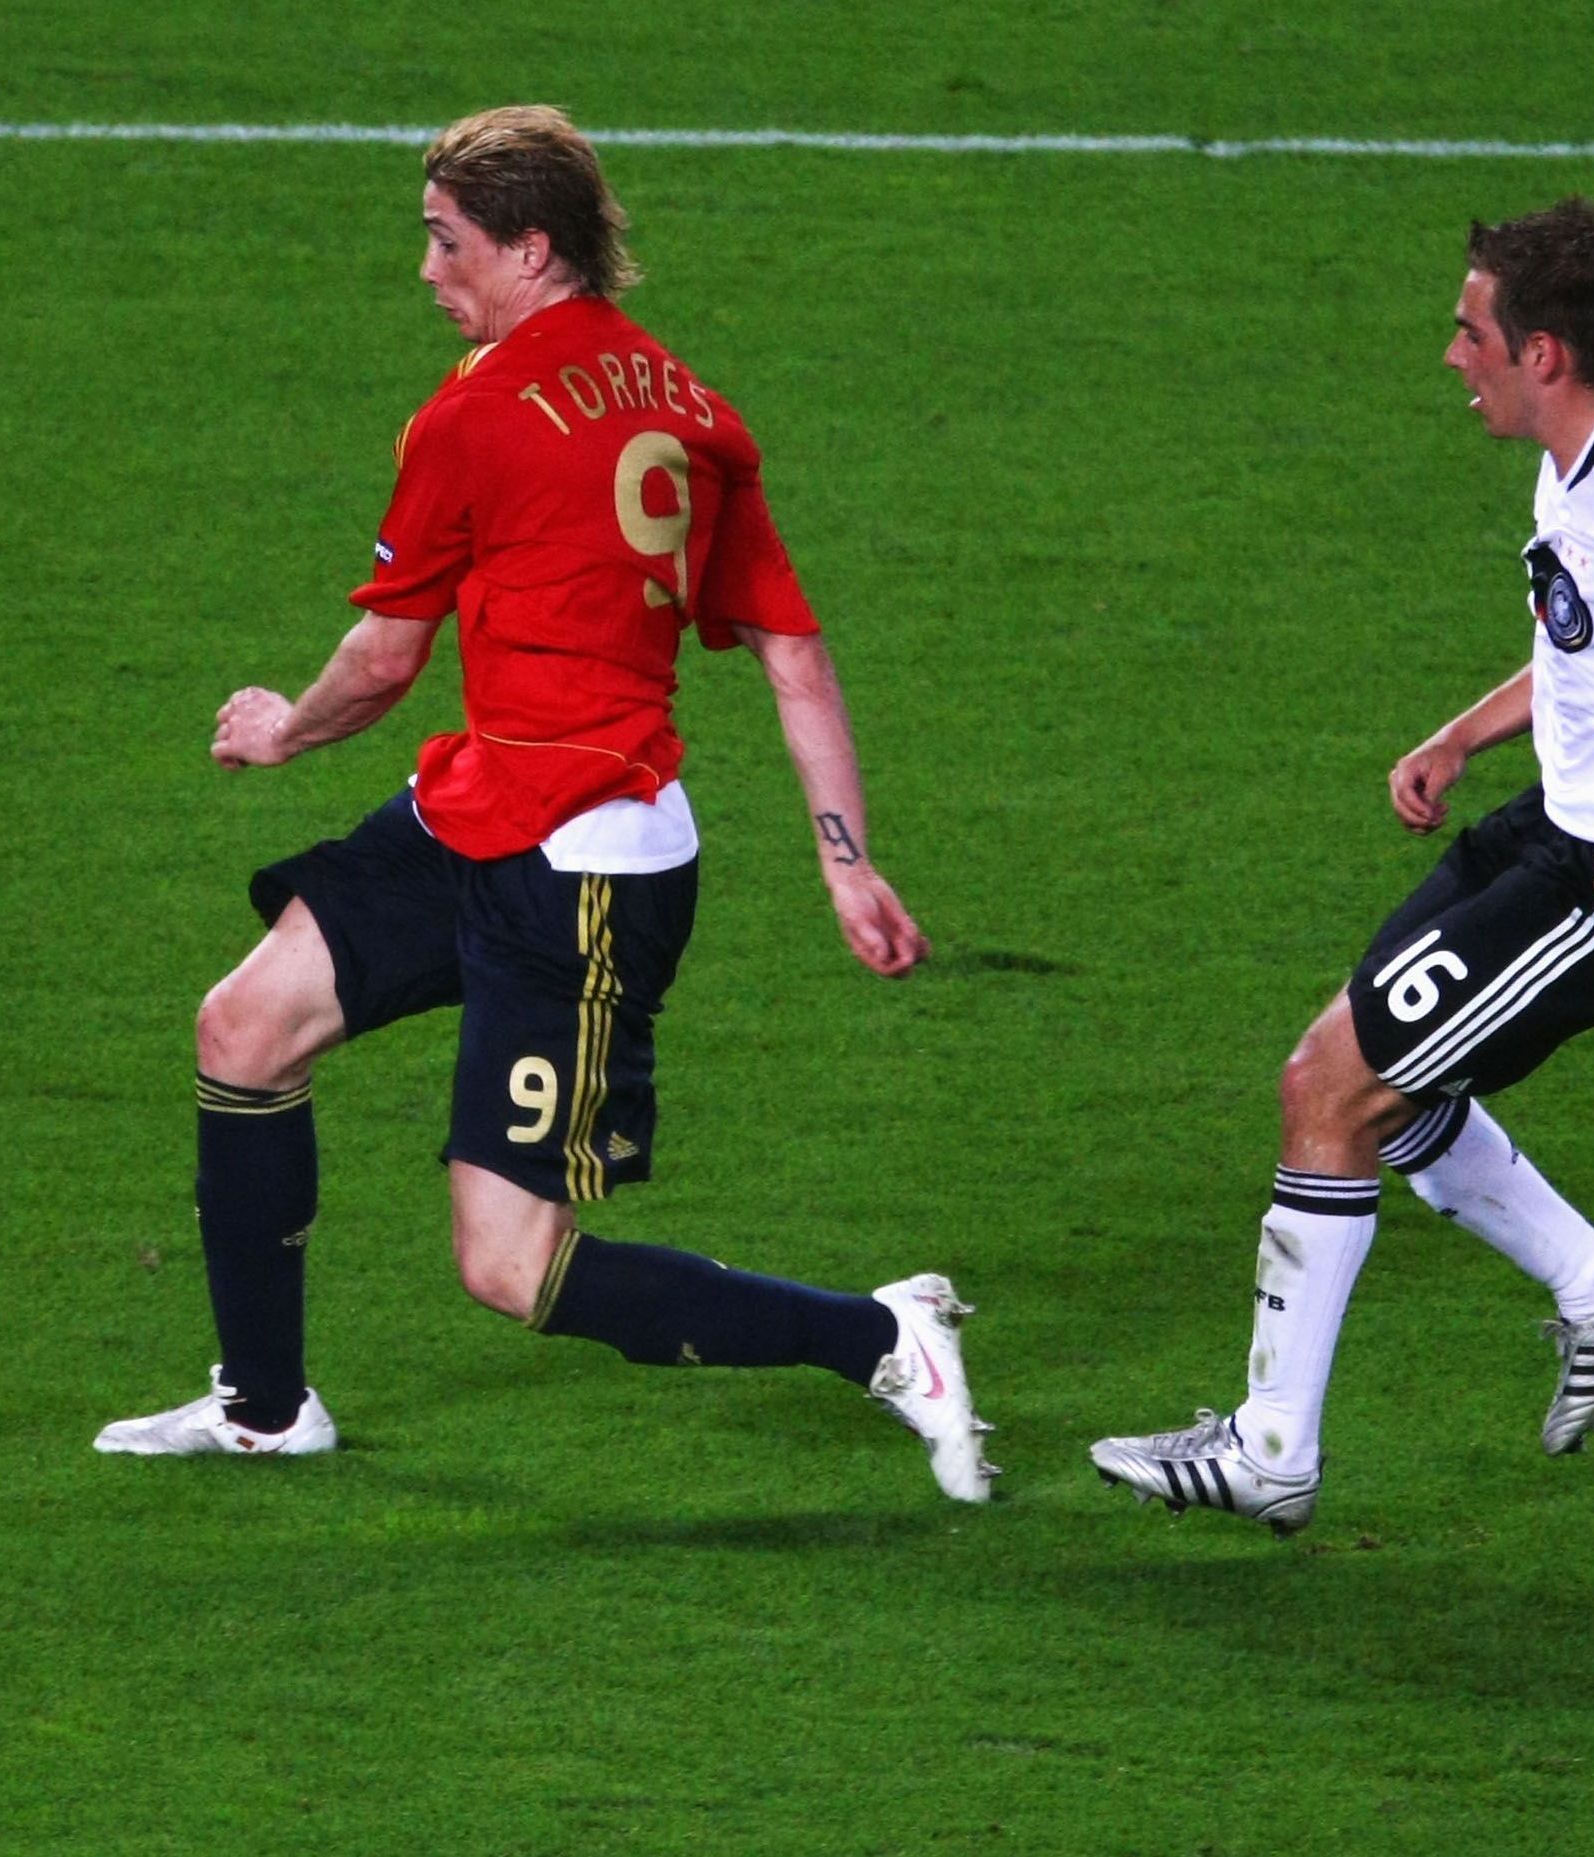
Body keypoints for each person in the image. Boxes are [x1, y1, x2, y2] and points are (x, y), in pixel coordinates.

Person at [94, 106, 992, 1502]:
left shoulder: (475, 413)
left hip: (581, 870)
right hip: (477, 807)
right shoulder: (691, 412)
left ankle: (879, 1336)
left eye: (446, 242)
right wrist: (846, 862)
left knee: (509, 1266)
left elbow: (386, 660)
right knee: (246, 1024)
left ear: (528, 248)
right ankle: (266, 1408)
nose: (428, 270)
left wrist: (281, 731)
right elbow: (793, 650)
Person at [1089, 199, 1594, 1532]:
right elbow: (1593, 646)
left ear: (1542, 351)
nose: (1451, 354)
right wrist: (1464, 734)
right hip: (1551, 829)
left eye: (1468, 329)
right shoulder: (1579, 459)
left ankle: (1271, 1451)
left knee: (1332, 1089)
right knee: (1353, 1076)